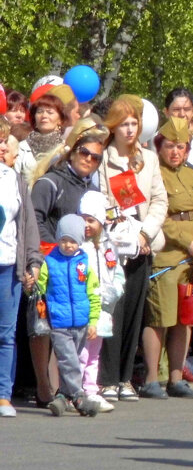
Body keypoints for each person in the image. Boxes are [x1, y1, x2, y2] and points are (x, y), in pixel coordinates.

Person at [30, 119, 109, 407]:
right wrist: (50, 253)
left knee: (71, 330)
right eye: (85, 153)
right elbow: (35, 217)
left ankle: (67, 389)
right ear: (72, 151)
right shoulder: (51, 181)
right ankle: (42, 386)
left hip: (76, 269)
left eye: (96, 157)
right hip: (48, 264)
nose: (90, 159)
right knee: (41, 326)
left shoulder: (91, 186)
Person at [98, 95, 168, 403]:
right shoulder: (102, 158)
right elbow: (100, 198)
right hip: (113, 245)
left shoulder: (149, 158)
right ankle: (107, 378)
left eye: (134, 124)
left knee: (135, 313)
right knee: (113, 309)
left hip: (141, 245)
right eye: (124, 124)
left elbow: (159, 201)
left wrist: (144, 233)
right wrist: (119, 232)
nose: (129, 130)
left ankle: (126, 377)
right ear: (113, 127)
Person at [143, 117, 193, 399]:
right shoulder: (155, 173)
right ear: (159, 147)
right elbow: (160, 218)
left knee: (184, 319)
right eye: (170, 146)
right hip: (169, 257)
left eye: (180, 147)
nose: (175, 152)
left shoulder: (190, 174)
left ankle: (175, 377)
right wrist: (189, 242)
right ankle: (150, 379)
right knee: (161, 317)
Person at [38, 214, 102, 417]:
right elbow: (40, 286)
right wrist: (33, 285)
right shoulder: (50, 262)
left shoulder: (84, 262)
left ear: (80, 241)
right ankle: (79, 396)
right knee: (68, 361)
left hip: (81, 323)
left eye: (73, 241)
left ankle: (62, 398)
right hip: (59, 322)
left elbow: (93, 293)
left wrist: (93, 321)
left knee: (73, 359)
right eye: (64, 240)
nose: (68, 245)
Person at [0, 119, 43, 418]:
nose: (2, 147)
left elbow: (27, 226)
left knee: (5, 334)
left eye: (4, 141)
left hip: (6, 268)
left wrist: (33, 261)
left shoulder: (15, 180)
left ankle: (3, 394)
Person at [76, 191, 125, 413]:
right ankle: (75, 392)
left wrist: (113, 292)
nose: (86, 225)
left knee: (94, 354)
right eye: (83, 219)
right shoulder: (76, 246)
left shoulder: (108, 246)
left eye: (91, 220)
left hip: (103, 311)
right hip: (82, 309)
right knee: (80, 353)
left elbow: (117, 274)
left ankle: (91, 390)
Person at [16, 92, 67, 186]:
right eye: (40, 112)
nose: (44, 116)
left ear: (60, 120)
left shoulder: (66, 150)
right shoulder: (22, 147)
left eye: (50, 112)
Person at [163, 88, 193, 171]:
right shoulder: (158, 141)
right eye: (176, 109)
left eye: (187, 109)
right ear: (166, 112)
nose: (182, 114)